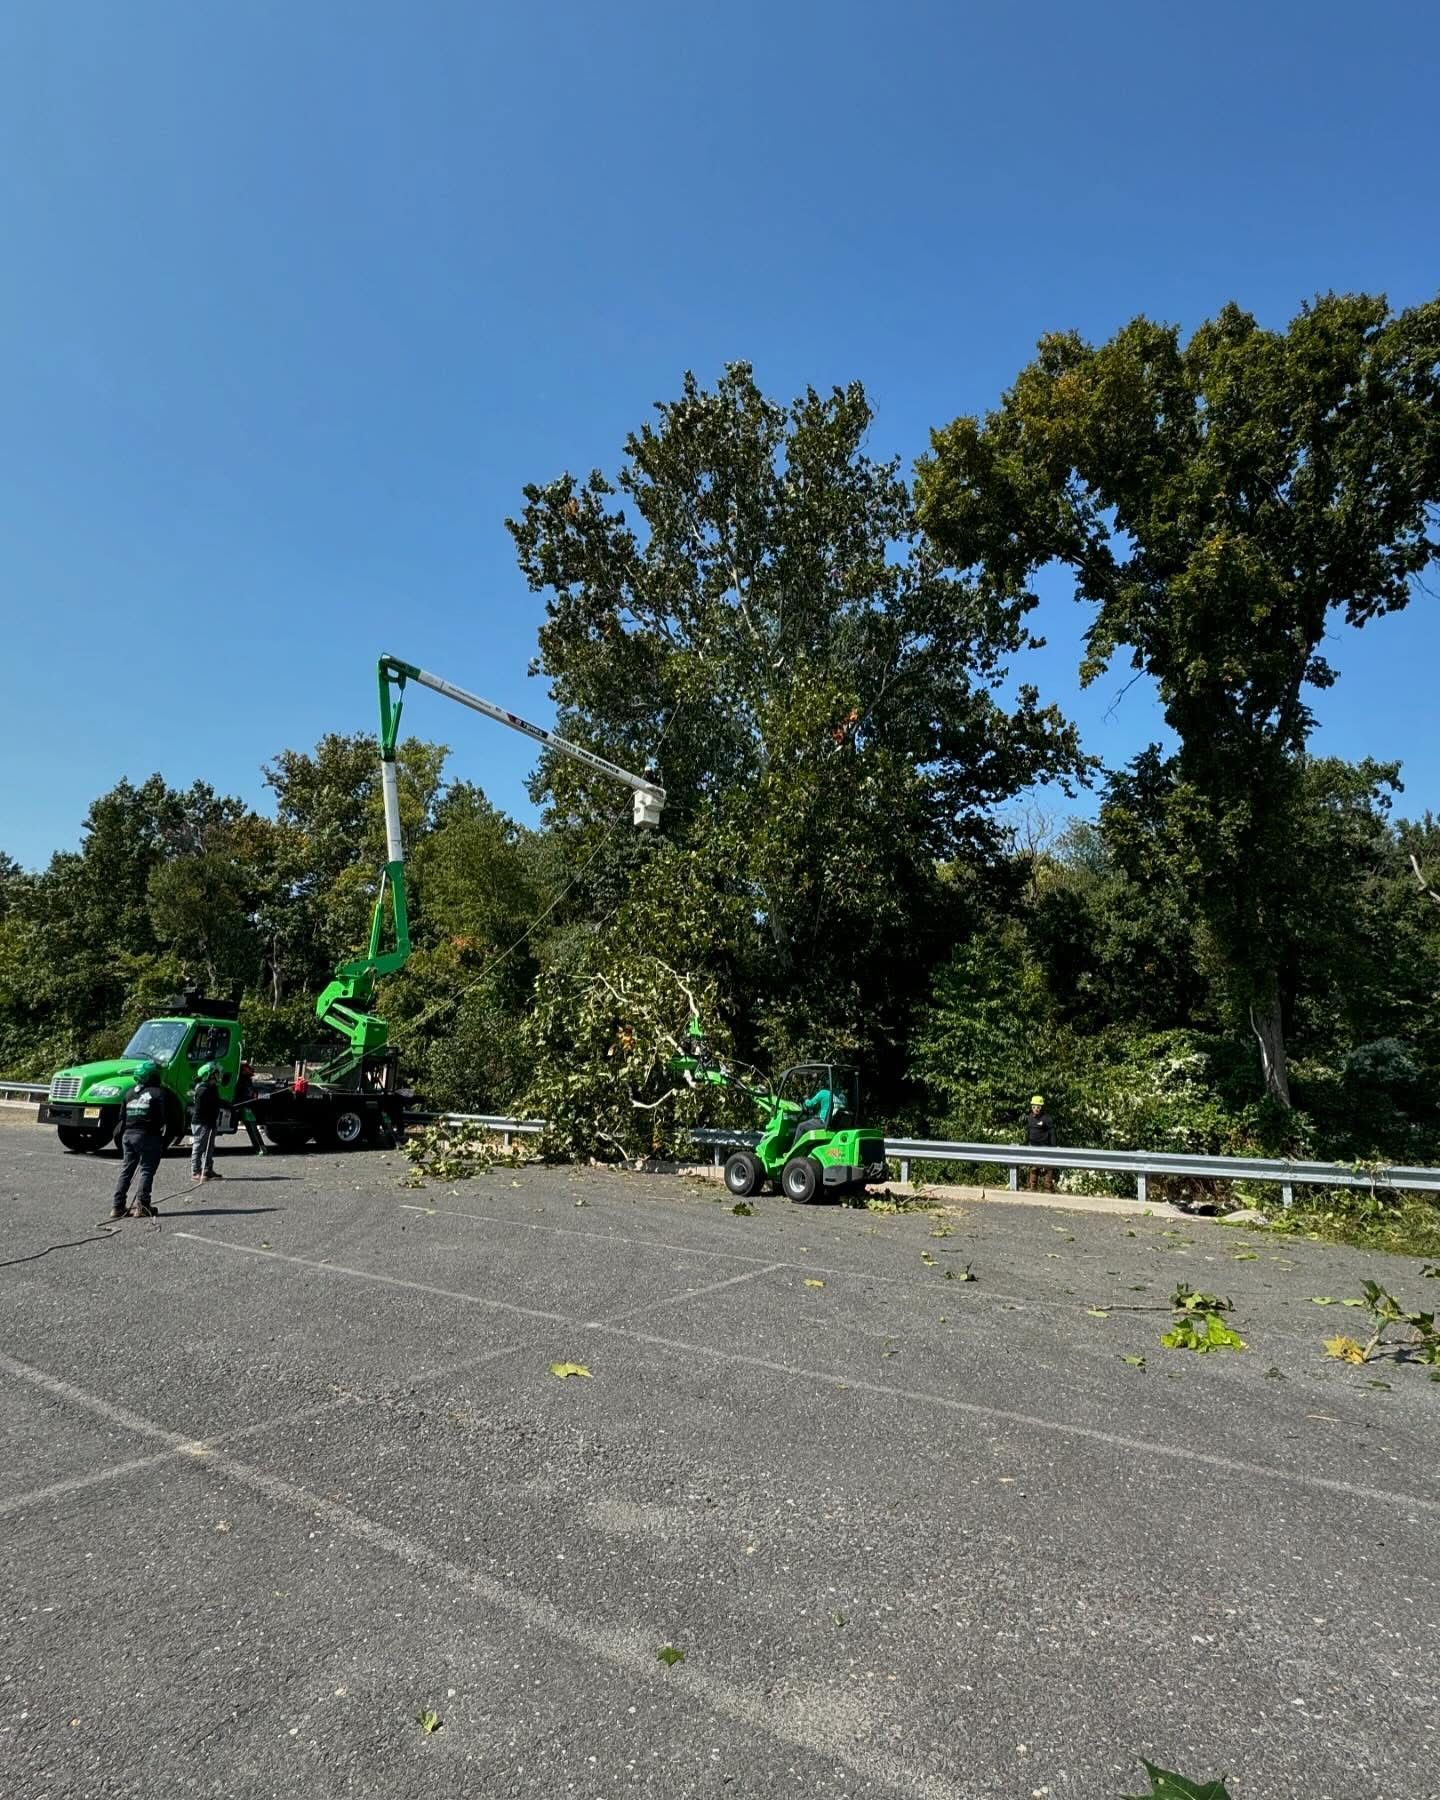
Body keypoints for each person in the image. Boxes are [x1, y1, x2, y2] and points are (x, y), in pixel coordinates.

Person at [111, 1062, 168, 1219]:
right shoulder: (158, 1093)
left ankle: (117, 1206)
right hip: (147, 1135)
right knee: (147, 1169)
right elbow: (162, 1117)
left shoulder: (129, 1093)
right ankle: (142, 1206)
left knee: (127, 1170)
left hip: (128, 1135)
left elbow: (122, 1116)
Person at [190, 1061, 224, 1184]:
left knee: (209, 1148)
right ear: (209, 1075)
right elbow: (203, 1109)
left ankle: (207, 1169)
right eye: (215, 1073)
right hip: (202, 1122)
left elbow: (217, 1102)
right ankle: (196, 1171)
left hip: (210, 1122)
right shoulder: (203, 1090)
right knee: (199, 1147)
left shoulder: (212, 1088)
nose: (218, 1075)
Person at [1023, 1094, 1056, 1191]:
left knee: (1047, 1168)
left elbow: (1052, 1133)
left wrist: (1053, 1147)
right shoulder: (1030, 1118)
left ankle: (1048, 1188)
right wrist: (1026, 1143)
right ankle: (1033, 1188)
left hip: (1045, 1147)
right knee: (1034, 1167)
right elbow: (1028, 1131)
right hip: (1033, 1146)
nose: (1036, 1109)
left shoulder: (1046, 1118)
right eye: (1034, 1107)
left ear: (1041, 1107)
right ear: (1031, 1107)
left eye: (1038, 1107)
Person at [234, 1061, 266, 1155]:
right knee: (252, 1128)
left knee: (252, 1127)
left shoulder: (242, 1078)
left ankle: (260, 1148)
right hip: (245, 1104)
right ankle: (261, 1148)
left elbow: (248, 1093)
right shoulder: (245, 1078)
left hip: (245, 1105)